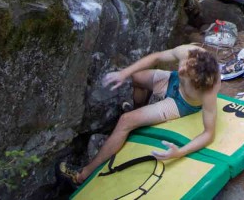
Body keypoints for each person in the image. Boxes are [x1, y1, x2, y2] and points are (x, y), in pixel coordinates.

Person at [58, 44, 221, 186]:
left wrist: (179, 152)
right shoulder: (190, 52)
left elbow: (208, 134)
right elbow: (157, 57)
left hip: (181, 103)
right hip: (171, 82)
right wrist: (124, 73)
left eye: (186, 72)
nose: (182, 68)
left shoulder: (208, 90)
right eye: (185, 64)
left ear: (197, 81)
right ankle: (138, 110)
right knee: (135, 78)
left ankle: (82, 176)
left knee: (125, 121)